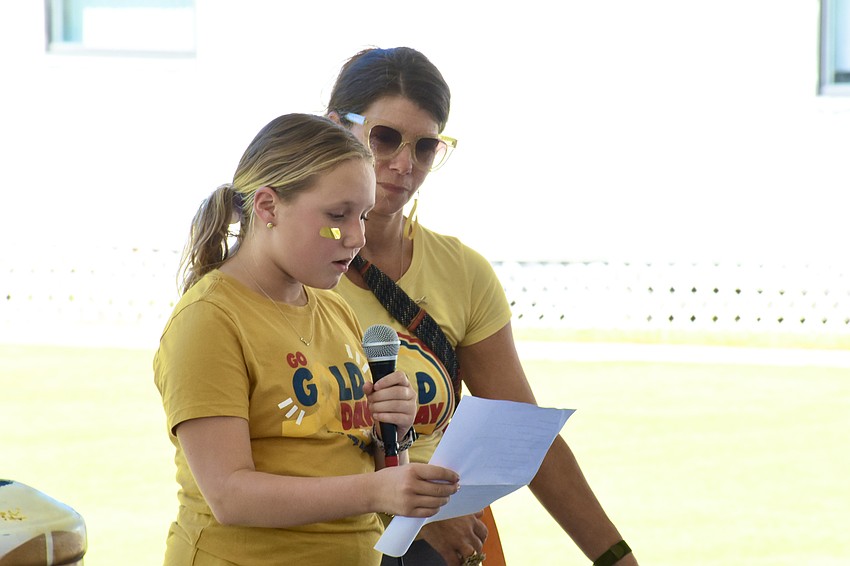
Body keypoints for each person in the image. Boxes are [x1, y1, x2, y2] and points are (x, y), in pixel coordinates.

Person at [326, 48, 639, 566]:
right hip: (330, 540)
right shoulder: (293, 268)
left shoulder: (461, 272)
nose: (404, 164)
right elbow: (275, 446)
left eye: (426, 147)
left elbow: (526, 437)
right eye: (385, 137)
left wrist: (616, 559)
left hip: (444, 542)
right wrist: (412, 512)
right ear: (337, 126)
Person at [153, 113, 460, 566]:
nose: (355, 237)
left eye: (362, 215)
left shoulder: (334, 309)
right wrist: (375, 489)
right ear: (268, 207)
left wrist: (390, 431)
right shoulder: (210, 320)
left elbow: (344, 458)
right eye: (337, 216)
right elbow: (230, 495)